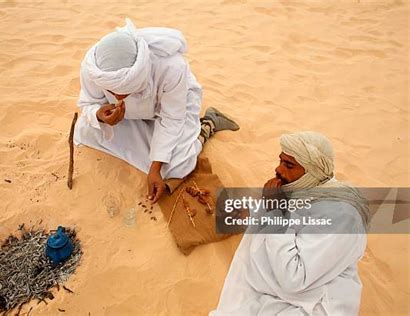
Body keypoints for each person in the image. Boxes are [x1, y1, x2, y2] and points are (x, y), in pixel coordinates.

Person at [74, 19, 239, 203]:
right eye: (112, 92)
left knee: (177, 166)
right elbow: (88, 103)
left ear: (139, 76)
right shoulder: (93, 68)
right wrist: (99, 116)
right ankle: (154, 142)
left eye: (125, 90)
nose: (119, 97)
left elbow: (171, 119)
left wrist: (155, 168)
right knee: (85, 131)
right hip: (130, 116)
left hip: (175, 108)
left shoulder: (171, 67)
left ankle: (208, 124)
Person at [211, 131, 370, 316]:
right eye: (280, 161)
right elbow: (294, 215)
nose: (278, 170)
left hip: (314, 303)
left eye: (289, 165)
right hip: (276, 292)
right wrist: (252, 212)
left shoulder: (342, 217)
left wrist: (273, 212)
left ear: (312, 171)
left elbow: (294, 278)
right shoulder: (306, 189)